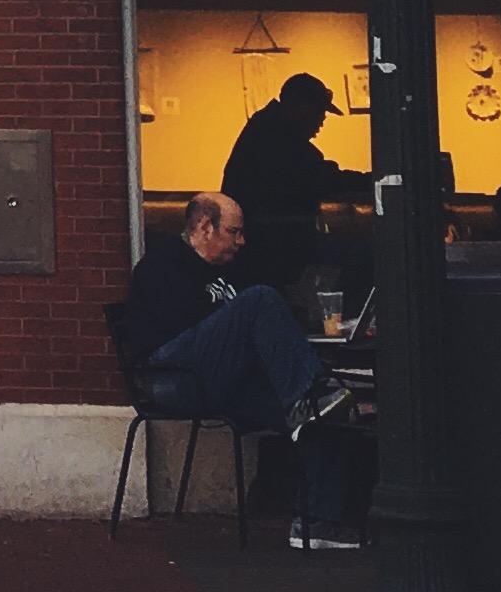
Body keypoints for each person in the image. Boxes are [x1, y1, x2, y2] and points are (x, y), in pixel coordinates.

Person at [122, 190, 354, 543]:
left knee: (325, 415)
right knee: (260, 300)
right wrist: (241, 328)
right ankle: (310, 393)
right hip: (171, 379)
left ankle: (317, 522)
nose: (241, 241)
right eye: (233, 232)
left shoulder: (226, 273)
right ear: (204, 226)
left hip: (220, 378)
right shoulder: (163, 264)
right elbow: (183, 331)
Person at [219, 73, 371, 295]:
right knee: (366, 256)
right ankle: (337, 320)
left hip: (268, 244)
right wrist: (374, 181)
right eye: (318, 111)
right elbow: (325, 179)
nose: (322, 120)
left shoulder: (266, 130)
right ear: (298, 106)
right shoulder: (279, 142)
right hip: (274, 245)